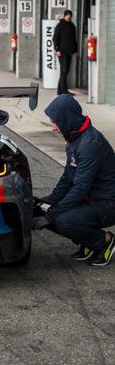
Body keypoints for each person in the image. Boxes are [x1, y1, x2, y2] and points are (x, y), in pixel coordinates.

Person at [32, 94, 115, 267]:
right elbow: (67, 177)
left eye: (55, 122)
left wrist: (51, 215)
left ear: (67, 119)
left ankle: (104, 242)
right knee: (40, 210)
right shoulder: (73, 139)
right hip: (90, 200)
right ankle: (88, 243)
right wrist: (49, 201)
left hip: (107, 203)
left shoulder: (90, 144)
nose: (54, 127)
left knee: (61, 220)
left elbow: (80, 188)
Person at [53, 10, 78, 95]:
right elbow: (55, 38)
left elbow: (74, 40)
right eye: (67, 15)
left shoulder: (72, 26)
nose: (68, 17)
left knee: (65, 72)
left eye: (70, 15)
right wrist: (57, 50)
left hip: (69, 52)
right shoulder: (60, 25)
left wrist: (75, 50)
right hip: (62, 52)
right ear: (64, 16)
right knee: (64, 71)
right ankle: (64, 91)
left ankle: (60, 91)